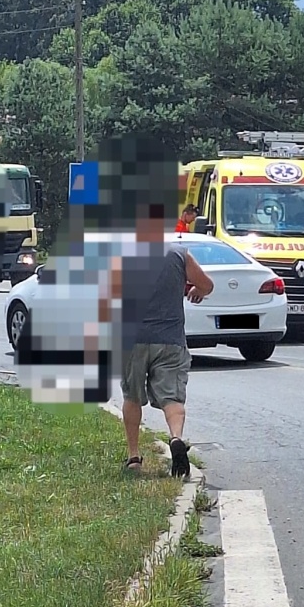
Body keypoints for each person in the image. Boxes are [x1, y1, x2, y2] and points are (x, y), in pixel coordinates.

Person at [107, 203, 215, 478]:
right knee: (172, 398)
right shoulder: (178, 254)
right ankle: (176, 438)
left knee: (132, 396)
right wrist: (195, 290)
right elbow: (207, 285)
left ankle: (134, 457)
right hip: (170, 339)